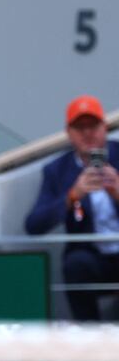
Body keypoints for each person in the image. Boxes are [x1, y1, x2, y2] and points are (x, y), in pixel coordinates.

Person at [26, 95, 119, 321]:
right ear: (69, 133)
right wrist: (71, 195)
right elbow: (33, 224)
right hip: (90, 258)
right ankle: (89, 344)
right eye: (80, 127)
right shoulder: (57, 170)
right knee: (75, 264)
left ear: (105, 128)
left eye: (93, 126)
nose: (88, 133)